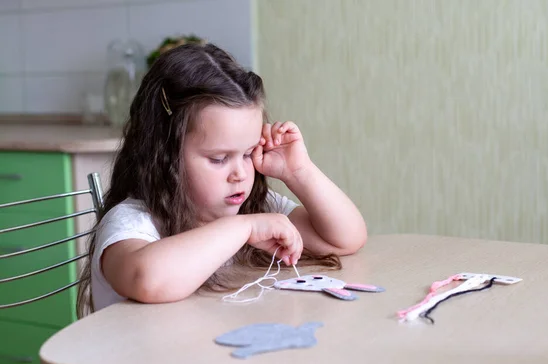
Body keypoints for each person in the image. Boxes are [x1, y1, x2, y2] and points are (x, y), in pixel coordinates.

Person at [76, 40, 367, 319]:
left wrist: (299, 171)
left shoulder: (253, 207)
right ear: (164, 155)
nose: (240, 174)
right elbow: (147, 279)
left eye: (249, 152)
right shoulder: (132, 223)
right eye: (218, 159)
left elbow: (345, 238)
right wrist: (244, 228)